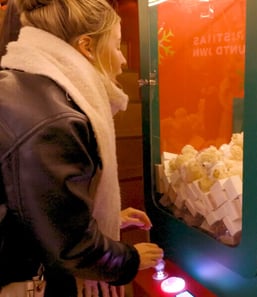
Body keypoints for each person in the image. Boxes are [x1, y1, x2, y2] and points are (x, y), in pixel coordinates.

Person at [0, 0, 164, 296]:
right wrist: (131, 259)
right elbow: (72, 245)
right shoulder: (54, 120)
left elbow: (39, 207)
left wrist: (108, 218)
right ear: (86, 46)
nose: (123, 60)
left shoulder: (27, 89)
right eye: (116, 46)